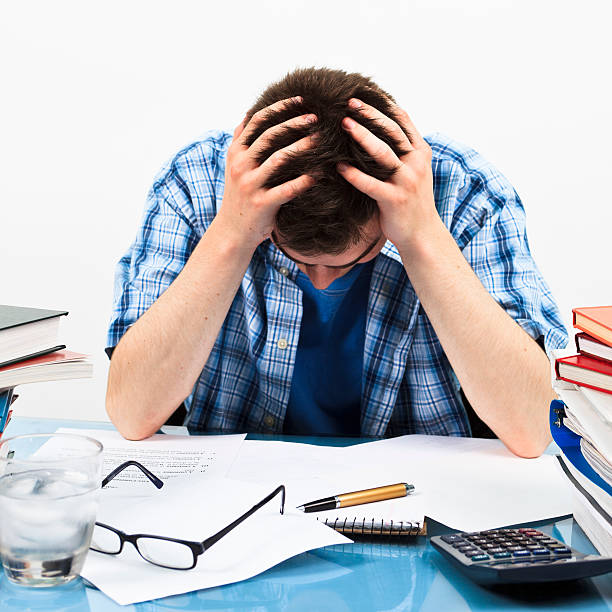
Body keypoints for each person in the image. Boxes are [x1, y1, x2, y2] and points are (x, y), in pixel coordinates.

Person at [105, 67, 568, 457]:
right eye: (298, 259)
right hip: (235, 489)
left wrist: (423, 236)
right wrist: (231, 234)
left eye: (350, 261)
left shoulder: (463, 190)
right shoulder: (197, 181)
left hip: (416, 497)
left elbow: (532, 430)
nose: (322, 281)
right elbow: (130, 412)